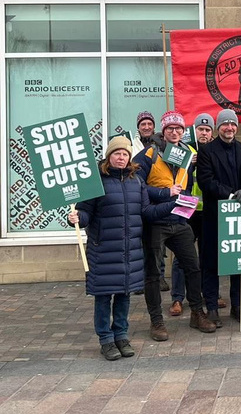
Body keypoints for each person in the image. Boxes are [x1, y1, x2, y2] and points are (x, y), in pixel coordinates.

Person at [68, 137, 176, 360]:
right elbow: (85, 214)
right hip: (103, 250)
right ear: (109, 156)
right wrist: (76, 217)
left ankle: (121, 335)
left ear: (129, 158)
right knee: (103, 296)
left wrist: (173, 205)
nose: (121, 157)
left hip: (130, 251)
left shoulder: (136, 182)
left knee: (124, 294)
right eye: (117, 153)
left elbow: (146, 212)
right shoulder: (96, 182)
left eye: (125, 154)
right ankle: (106, 339)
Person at [134, 111, 216, 341]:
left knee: (193, 266)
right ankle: (156, 321)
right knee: (152, 274)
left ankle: (197, 313)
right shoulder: (150, 152)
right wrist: (163, 193)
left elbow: (186, 183)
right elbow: (137, 183)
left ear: (183, 131)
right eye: (169, 128)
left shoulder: (189, 152)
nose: (174, 131)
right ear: (164, 130)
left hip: (179, 220)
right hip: (156, 221)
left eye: (178, 128)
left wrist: (186, 199)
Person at [197, 109, 241, 327]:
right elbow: (205, 180)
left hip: (239, 218)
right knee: (211, 264)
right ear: (218, 127)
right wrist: (231, 195)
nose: (229, 128)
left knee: (239, 263)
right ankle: (212, 308)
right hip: (214, 217)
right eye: (225, 124)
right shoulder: (207, 151)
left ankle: (238, 306)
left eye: (232, 124)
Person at [169, 113, 225, 317]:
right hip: (187, 211)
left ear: (212, 132)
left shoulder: (216, 152)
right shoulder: (185, 151)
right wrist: (188, 163)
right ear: (195, 131)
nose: (204, 132)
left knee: (208, 254)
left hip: (208, 211)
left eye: (207, 129)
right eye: (200, 129)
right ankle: (177, 298)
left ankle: (210, 293)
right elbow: (173, 175)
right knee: (181, 256)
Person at [135, 110, 169, 292]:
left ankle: (160, 277)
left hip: (156, 200)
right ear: (138, 128)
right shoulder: (131, 144)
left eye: (149, 124)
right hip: (136, 199)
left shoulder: (161, 144)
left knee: (158, 242)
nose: (146, 127)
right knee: (140, 242)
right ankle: (141, 280)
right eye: (143, 124)